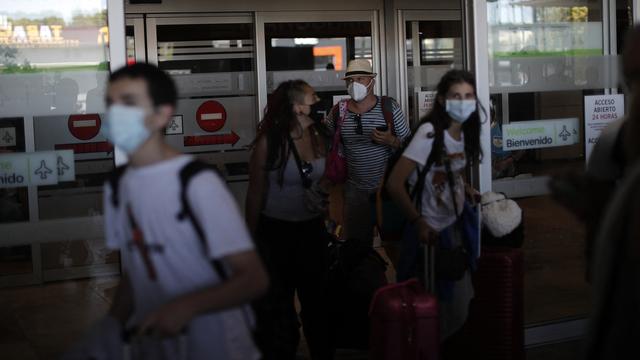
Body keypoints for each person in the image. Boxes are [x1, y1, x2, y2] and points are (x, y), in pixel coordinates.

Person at [101, 63, 268, 359]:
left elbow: (253, 278)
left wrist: (185, 306)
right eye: (111, 104)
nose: (116, 114)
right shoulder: (117, 186)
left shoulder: (196, 183)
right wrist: (110, 327)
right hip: (157, 346)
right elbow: (138, 267)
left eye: (129, 103)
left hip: (219, 346)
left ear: (162, 113)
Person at [386, 69, 482, 340]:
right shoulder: (429, 133)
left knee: (457, 304)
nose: (463, 102)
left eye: (468, 96)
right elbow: (394, 184)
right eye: (456, 96)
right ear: (442, 100)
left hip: (455, 226)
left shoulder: (465, 133)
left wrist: (465, 188)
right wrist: (418, 222)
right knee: (436, 306)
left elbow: (451, 169)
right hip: (429, 232)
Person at [246, 80, 332, 360]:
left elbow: (326, 177)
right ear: (295, 107)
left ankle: (321, 351)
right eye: (311, 98)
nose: (317, 102)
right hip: (276, 234)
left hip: (312, 231)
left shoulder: (318, 134)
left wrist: (325, 202)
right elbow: (255, 193)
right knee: (280, 305)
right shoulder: (269, 142)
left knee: (317, 302)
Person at [324, 58, 410, 245]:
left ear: (371, 81)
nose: (354, 84)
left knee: (394, 244)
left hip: (387, 191)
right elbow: (326, 138)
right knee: (356, 247)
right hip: (354, 192)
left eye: (360, 79)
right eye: (350, 80)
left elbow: (410, 146)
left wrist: (392, 141)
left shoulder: (389, 107)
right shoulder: (339, 111)